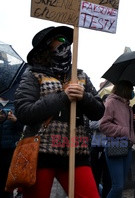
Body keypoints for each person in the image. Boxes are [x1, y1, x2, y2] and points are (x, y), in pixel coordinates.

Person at [14, 26, 104, 197]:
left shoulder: (80, 76)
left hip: (76, 153)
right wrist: (63, 97)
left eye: (67, 41)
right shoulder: (34, 75)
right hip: (41, 154)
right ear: (47, 46)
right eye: (60, 40)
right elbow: (24, 112)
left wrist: (84, 97)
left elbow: (98, 111)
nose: (65, 45)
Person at [100, 80, 135, 198]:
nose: (133, 93)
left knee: (121, 186)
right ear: (125, 90)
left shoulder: (127, 106)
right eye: (131, 90)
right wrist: (124, 131)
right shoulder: (111, 102)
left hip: (128, 147)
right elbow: (103, 125)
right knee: (118, 186)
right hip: (116, 145)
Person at [0, 97, 22, 198]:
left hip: (10, 148)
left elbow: (23, 127)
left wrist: (15, 120)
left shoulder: (16, 104)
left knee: (8, 180)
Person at [90, 94, 111, 198]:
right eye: (107, 101)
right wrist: (105, 122)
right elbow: (92, 125)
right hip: (97, 147)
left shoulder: (112, 113)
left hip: (109, 148)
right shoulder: (97, 112)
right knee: (95, 176)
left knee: (108, 177)